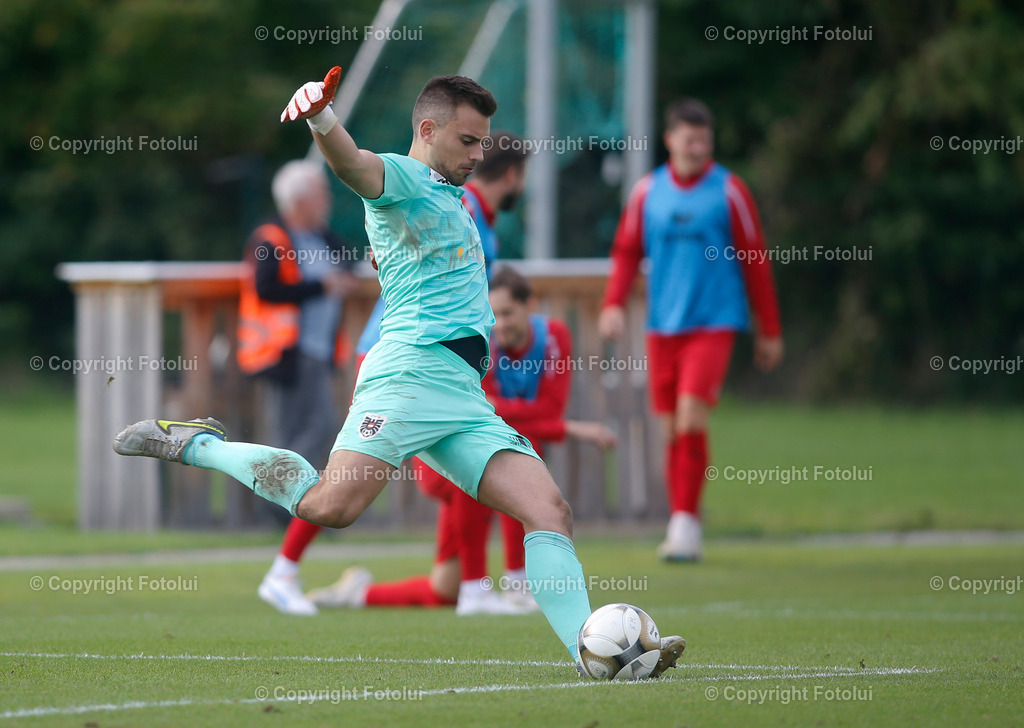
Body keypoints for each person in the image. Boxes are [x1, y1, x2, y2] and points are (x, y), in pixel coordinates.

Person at [113, 67, 684, 678]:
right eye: (468, 141)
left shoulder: (453, 195)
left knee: (550, 511)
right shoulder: (406, 178)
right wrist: (321, 118)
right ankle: (198, 445)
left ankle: (591, 653)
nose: (478, 155)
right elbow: (355, 166)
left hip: (463, 395)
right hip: (407, 378)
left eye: (484, 143)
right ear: (428, 129)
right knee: (330, 507)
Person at [257, 132, 530, 617]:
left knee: (467, 471)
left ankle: (471, 585)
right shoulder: (463, 211)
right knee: (357, 478)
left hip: (426, 359)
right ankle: (285, 570)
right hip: (403, 355)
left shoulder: (469, 213)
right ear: (510, 175)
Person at [306, 267, 617, 614]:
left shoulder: (554, 337)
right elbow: (484, 418)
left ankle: (357, 593)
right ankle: (501, 587)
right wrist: (571, 428)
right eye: (493, 314)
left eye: (508, 313)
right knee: (495, 452)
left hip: (477, 453)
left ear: (531, 305)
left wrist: (525, 415)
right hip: (440, 461)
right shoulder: (482, 342)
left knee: (443, 589)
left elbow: (547, 408)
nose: (499, 324)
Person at [598, 98, 783, 562]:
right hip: (663, 326)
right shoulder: (647, 192)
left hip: (714, 322)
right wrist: (614, 303)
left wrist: (769, 329)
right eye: (689, 137)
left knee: (690, 419)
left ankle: (684, 525)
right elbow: (625, 251)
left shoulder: (729, 191)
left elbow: (754, 260)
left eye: (705, 139)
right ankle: (683, 519)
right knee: (671, 431)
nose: (698, 146)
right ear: (670, 140)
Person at [236, 160, 355, 542]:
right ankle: (282, 507)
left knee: (315, 428)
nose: (327, 199)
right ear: (300, 199)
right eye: (321, 192)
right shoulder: (270, 237)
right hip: (284, 352)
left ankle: (299, 507)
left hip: (319, 351)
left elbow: (347, 262)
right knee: (301, 429)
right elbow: (266, 289)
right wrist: (322, 288)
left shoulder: (321, 236)